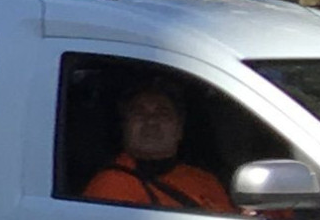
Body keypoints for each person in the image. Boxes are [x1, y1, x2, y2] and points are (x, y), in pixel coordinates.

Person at [80, 78, 234, 211]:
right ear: (124, 127)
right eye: (139, 113)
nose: (151, 121)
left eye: (162, 113)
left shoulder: (205, 181)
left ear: (179, 129)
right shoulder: (110, 185)